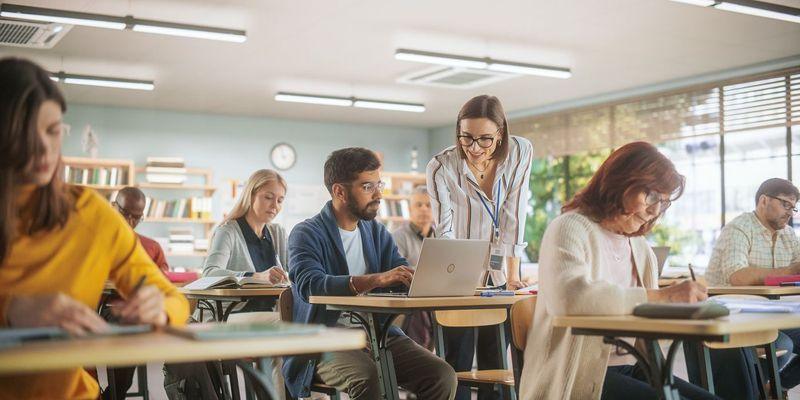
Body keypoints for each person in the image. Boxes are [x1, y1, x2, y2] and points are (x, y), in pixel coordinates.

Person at [0, 57, 189, 399]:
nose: (44, 147)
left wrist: (157, 309)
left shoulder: (89, 214)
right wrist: (10, 310)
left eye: (54, 131)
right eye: (28, 132)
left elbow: (173, 299)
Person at [519, 141, 717, 400]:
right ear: (621, 182)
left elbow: (646, 323)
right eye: (652, 196)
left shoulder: (640, 247)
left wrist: (686, 309)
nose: (655, 210)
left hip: (634, 365)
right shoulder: (569, 228)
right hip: (576, 375)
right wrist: (663, 297)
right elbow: (571, 299)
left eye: (664, 202)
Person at [284, 147, 457, 400]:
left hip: (378, 334)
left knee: (442, 376)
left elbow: (399, 275)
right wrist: (376, 279)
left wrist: (435, 279)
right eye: (367, 187)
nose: (379, 194)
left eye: (379, 184)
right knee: (370, 378)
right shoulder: (306, 233)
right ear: (339, 191)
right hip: (324, 339)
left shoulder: (375, 232)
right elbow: (311, 285)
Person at [426, 94, 533, 399]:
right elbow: (444, 232)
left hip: (501, 278)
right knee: (455, 368)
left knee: (496, 368)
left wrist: (512, 276)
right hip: (458, 281)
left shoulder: (520, 152)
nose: (474, 149)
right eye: (466, 138)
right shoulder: (441, 167)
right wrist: (458, 281)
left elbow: (515, 212)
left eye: (485, 139)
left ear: (501, 134)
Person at [701, 177, 800, 396]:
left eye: (793, 208)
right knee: (781, 343)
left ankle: (774, 388)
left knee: (782, 339)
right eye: (785, 204)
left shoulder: (788, 235)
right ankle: (747, 391)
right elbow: (738, 277)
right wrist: (790, 270)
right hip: (732, 314)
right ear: (764, 200)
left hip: (768, 312)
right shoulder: (739, 228)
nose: (790, 212)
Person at [203, 169, 289, 314]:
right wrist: (255, 277)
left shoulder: (278, 233)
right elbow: (209, 273)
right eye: (268, 197)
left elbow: (296, 269)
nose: (275, 206)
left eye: (280, 200)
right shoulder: (228, 231)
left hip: (267, 313)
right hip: (228, 315)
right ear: (250, 196)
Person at [391, 185, 435, 349]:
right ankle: (420, 352)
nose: (424, 209)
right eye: (418, 205)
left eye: (428, 205)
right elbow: (399, 273)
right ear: (409, 210)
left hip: (438, 295)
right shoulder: (398, 237)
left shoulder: (442, 236)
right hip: (411, 298)